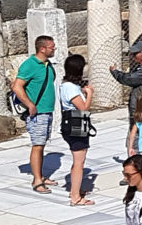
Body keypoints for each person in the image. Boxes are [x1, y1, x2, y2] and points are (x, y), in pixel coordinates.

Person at [11, 35, 58, 194]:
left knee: (42, 144)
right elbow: (17, 86)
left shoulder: (47, 64)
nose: (54, 49)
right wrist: (30, 104)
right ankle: (37, 180)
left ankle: (41, 175)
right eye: (51, 47)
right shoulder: (29, 65)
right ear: (42, 49)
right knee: (37, 145)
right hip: (37, 113)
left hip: (46, 110)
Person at [60, 54, 95, 206]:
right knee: (79, 162)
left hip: (72, 123)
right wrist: (90, 95)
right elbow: (83, 108)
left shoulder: (67, 85)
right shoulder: (70, 88)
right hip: (76, 124)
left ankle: (75, 188)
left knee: (78, 160)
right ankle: (75, 196)